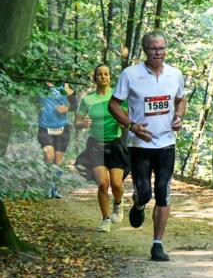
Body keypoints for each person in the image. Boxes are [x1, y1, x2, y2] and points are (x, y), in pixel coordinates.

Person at [108, 31, 186, 261]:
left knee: (163, 190)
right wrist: (131, 126)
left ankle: (157, 244)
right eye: (153, 49)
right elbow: (114, 105)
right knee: (145, 192)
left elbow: (181, 99)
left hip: (166, 142)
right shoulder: (130, 75)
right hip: (139, 145)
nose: (158, 53)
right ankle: (139, 204)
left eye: (162, 48)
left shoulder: (175, 74)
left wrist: (179, 116)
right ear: (145, 50)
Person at [75, 65, 129, 232]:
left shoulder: (119, 97)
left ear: (110, 77)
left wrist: (123, 122)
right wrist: (81, 124)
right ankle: (105, 219)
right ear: (95, 78)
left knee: (117, 184)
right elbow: (76, 123)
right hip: (96, 145)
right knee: (103, 184)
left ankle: (118, 204)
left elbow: (126, 120)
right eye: (99, 74)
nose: (103, 76)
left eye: (106, 74)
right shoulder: (88, 100)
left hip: (115, 144)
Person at [37, 81, 76, 198]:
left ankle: (54, 189)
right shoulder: (40, 85)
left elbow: (75, 105)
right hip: (45, 127)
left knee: (58, 160)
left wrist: (66, 108)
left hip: (62, 128)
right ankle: (47, 187)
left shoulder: (65, 86)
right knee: (49, 155)